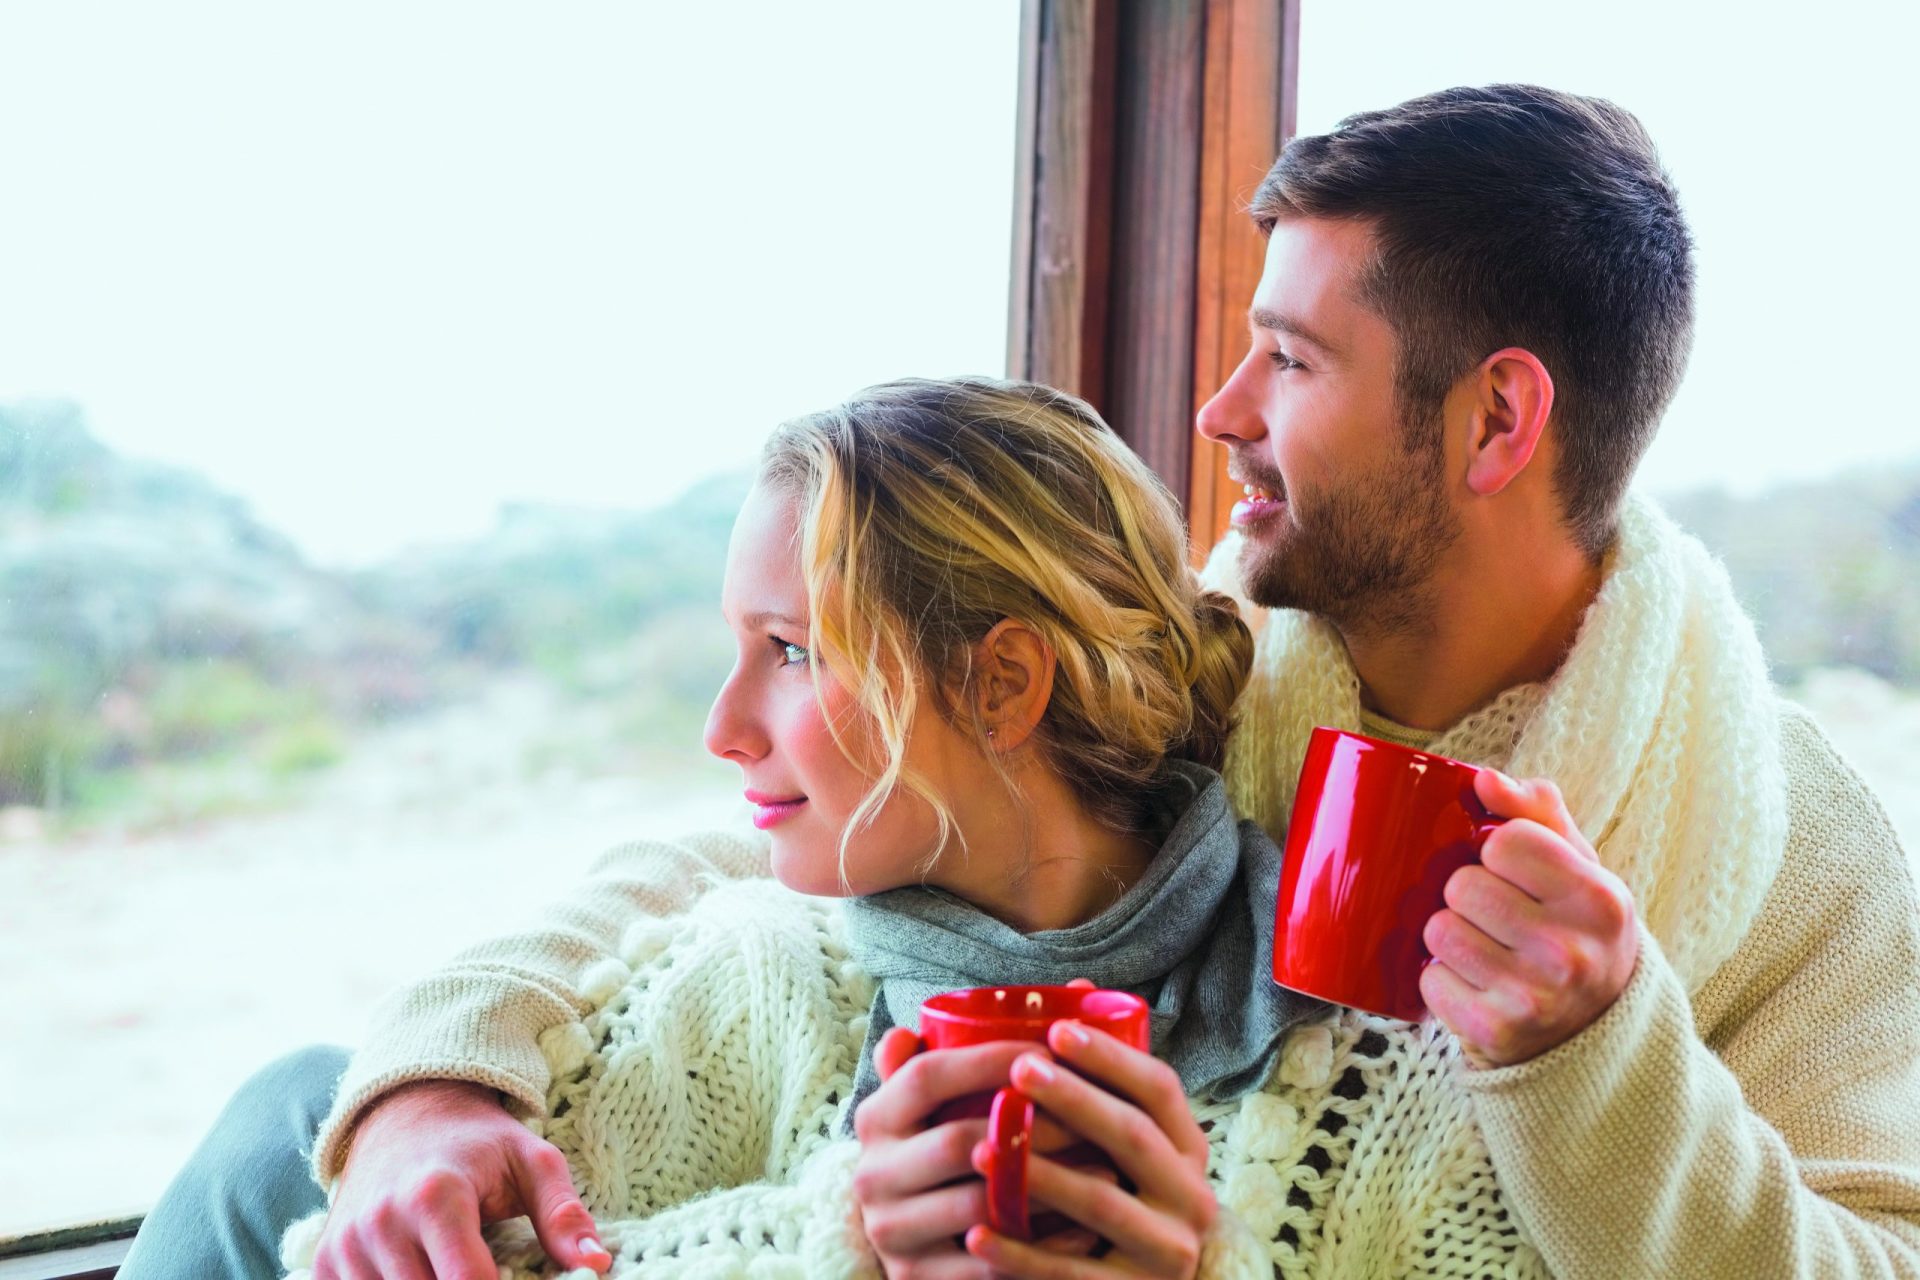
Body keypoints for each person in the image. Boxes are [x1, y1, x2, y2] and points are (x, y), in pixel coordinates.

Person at [121, 83, 1920, 1279]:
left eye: (1289, 360)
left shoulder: (1781, 842)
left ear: (1500, 419)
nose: (1219, 416)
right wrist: (439, 1077)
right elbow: (752, 856)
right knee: (293, 1109)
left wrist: (1602, 1059)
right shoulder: (1210, 669)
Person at [243, 374, 1305, 1278]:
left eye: (792, 649)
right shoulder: (739, 980)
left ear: (1003, 682)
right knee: (285, 1111)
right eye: (740, 645)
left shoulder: (1325, 1026)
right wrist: (420, 1091)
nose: (722, 729)